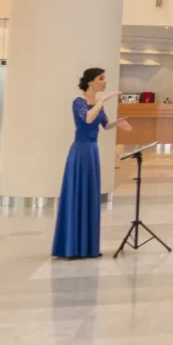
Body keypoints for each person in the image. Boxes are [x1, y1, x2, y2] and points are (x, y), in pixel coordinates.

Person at [53, 68, 130, 259]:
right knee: (78, 193)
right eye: (101, 78)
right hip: (80, 151)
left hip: (93, 151)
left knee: (90, 195)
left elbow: (105, 125)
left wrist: (118, 122)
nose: (105, 82)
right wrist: (103, 100)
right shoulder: (78, 102)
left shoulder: (98, 103)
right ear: (90, 82)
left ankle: (87, 246)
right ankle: (72, 246)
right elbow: (87, 118)